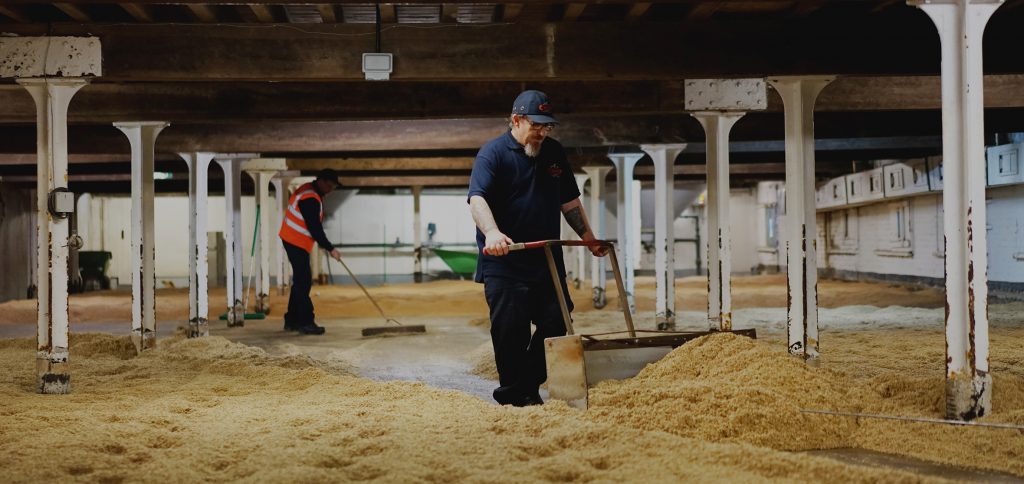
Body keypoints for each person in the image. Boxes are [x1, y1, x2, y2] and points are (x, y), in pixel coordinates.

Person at [468, 90, 607, 407]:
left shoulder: (554, 152)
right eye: (537, 126)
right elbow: (477, 199)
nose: (543, 133)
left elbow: (569, 201)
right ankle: (520, 397)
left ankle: (522, 387)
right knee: (510, 333)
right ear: (516, 120)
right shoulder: (493, 154)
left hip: (546, 259)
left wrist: (589, 237)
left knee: (557, 321)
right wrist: (491, 233)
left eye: (548, 126)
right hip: (505, 261)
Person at [279, 168, 342, 335]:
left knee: (300, 281)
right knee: (304, 281)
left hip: (294, 239)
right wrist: (331, 248)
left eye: (333, 187)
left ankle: (292, 320)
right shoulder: (310, 198)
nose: (330, 190)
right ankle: (306, 322)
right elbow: (315, 228)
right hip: (295, 240)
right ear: (320, 181)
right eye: (329, 185)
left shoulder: (309, 190)